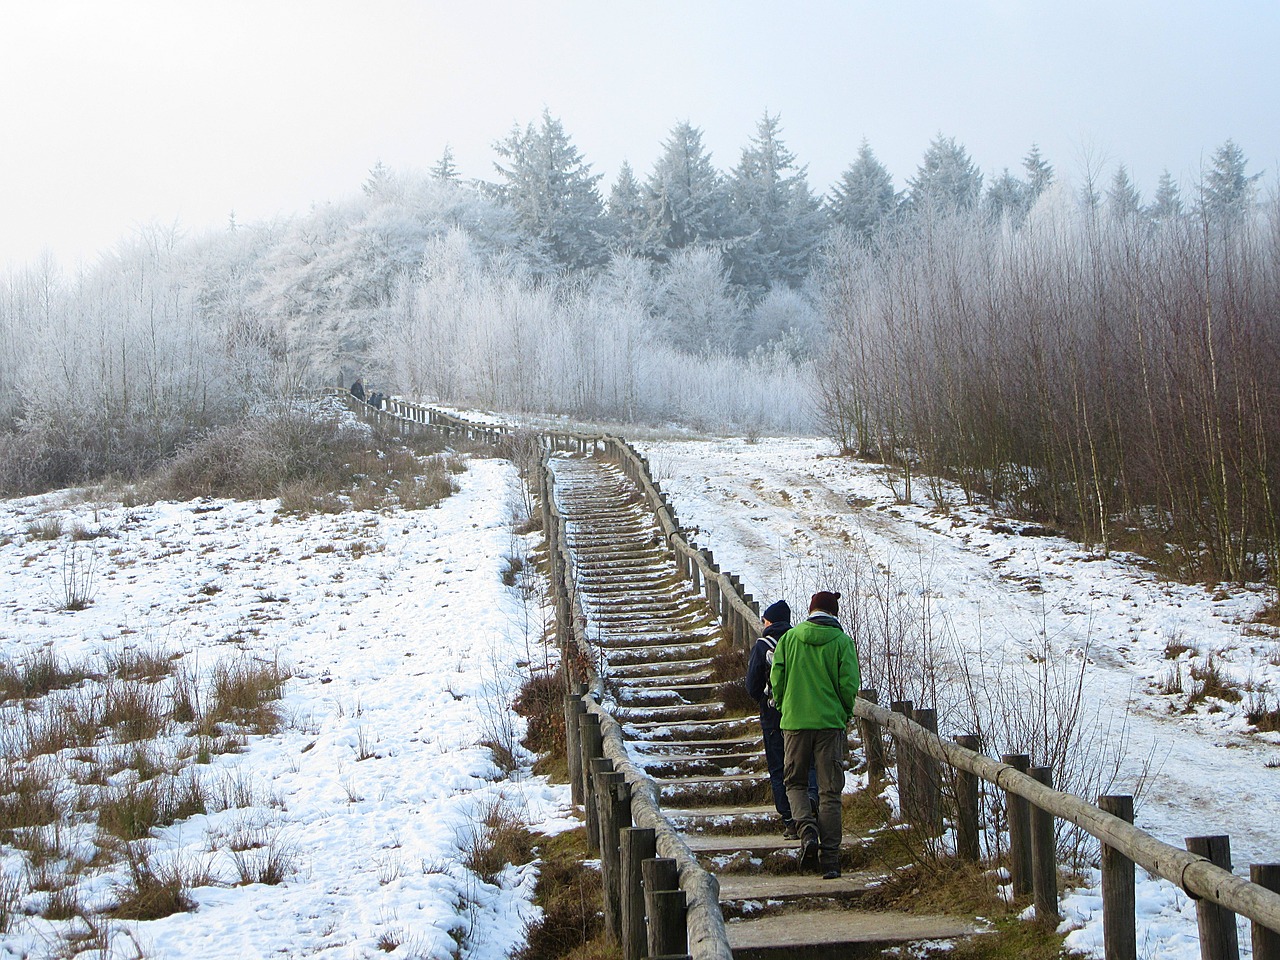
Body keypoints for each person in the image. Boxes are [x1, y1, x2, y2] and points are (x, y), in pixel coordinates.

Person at [770, 590, 860, 880]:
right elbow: (849, 684)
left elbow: (777, 679)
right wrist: (843, 713)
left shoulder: (789, 639)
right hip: (829, 725)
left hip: (795, 722)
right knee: (829, 791)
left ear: (810, 610)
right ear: (833, 613)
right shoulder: (843, 642)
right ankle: (831, 859)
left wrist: (785, 706)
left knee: (794, 782)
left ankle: (807, 831)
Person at [746, 599, 817, 839]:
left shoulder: (762, 645)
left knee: (779, 769)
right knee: (806, 765)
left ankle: (790, 820)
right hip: (801, 713)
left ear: (769, 621)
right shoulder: (800, 641)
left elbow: (751, 685)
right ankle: (810, 810)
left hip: (772, 715)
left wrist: (763, 700)